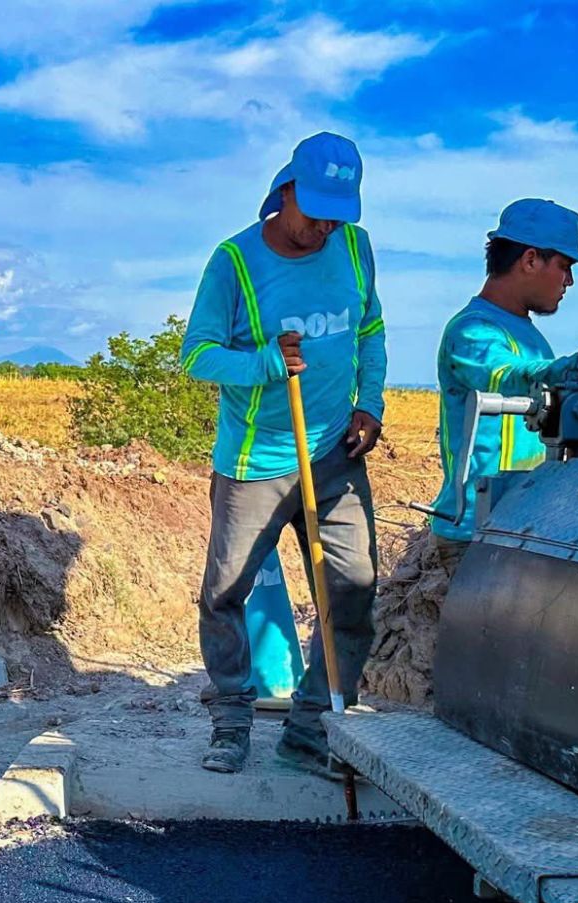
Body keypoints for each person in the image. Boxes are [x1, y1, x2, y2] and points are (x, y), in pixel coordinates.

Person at [181, 131, 388, 775]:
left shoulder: (354, 248)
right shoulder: (235, 262)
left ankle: (313, 729)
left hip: (333, 455)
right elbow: (197, 355)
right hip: (255, 461)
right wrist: (266, 363)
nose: (325, 225)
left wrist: (370, 404)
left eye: (338, 212)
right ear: (286, 189)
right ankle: (230, 722)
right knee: (225, 593)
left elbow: (371, 330)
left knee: (352, 589)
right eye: (316, 209)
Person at [429, 199, 578, 548]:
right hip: (473, 533)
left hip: (517, 520)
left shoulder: (528, 334)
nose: (569, 281)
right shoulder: (471, 331)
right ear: (531, 259)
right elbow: (516, 377)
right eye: (565, 266)